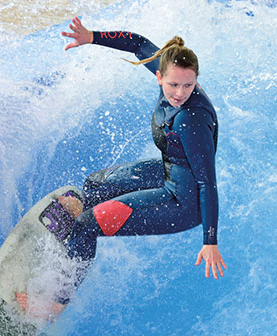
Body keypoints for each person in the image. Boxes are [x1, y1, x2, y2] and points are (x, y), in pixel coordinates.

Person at [53, 17, 226, 308]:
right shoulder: (167, 79)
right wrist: (91, 36)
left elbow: (207, 182)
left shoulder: (191, 120)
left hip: (183, 203)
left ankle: (56, 301)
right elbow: (136, 43)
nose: (180, 93)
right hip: (170, 171)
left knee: (86, 225)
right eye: (173, 84)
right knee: (96, 183)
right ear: (159, 75)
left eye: (188, 85)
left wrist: (210, 241)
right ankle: (86, 210)